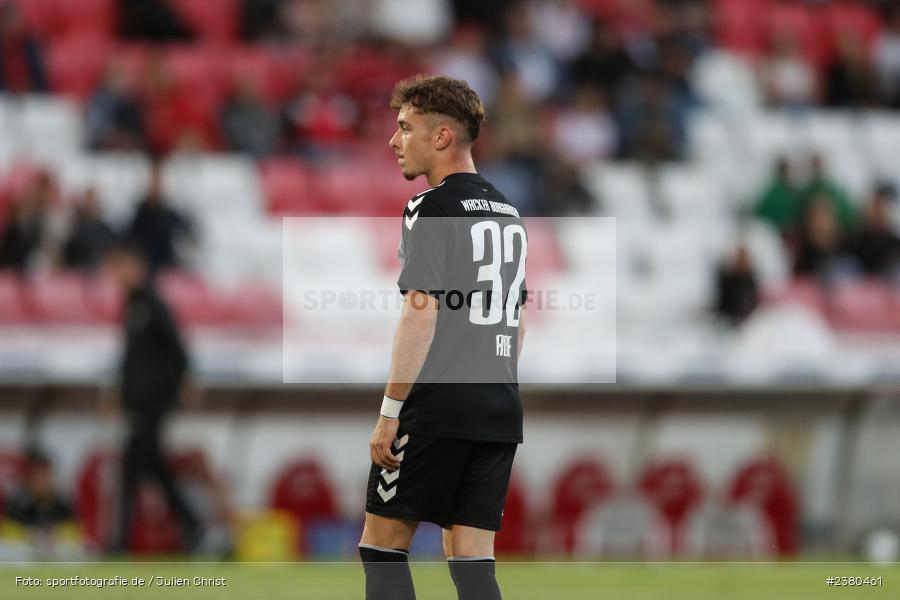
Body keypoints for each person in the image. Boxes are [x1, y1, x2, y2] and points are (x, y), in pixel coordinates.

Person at [359, 76, 527, 600]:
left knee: (382, 545)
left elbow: (420, 312)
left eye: (405, 127)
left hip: (438, 404)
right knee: (471, 559)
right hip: (499, 404)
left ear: (442, 137)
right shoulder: (509, 212)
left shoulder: (429, 206)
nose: (394, 140)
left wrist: (391, 411)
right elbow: (516, 320)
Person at [101, 239, 204, 553]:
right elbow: (129, 360)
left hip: (153, 402)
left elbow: (178, 348)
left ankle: (119, 542)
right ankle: (194, 526)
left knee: (134, 469)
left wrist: (183, 384)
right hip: (138, 402)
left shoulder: (153, 304)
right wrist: (120, 394)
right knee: (151, 468)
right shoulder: (131, 306)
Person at [127, 162, 194, 274]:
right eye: (152, 182)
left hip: (167, 267)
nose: (155, 187)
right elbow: (132, 240)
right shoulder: (138, 214)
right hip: (144, 268)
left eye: (158, 182)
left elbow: (185, 235)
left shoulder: (171, 214)